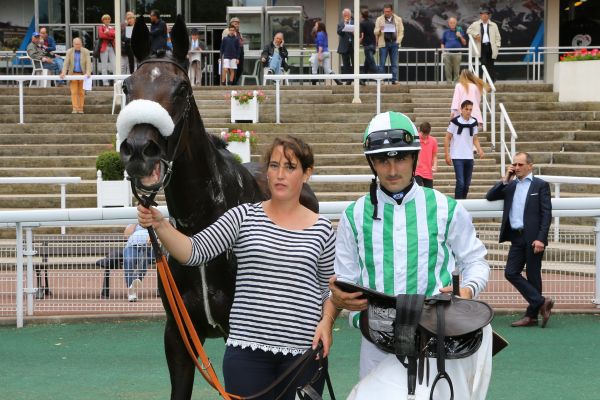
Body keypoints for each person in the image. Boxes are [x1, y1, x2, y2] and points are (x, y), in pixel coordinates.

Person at [137, 135, 337, 399]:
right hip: (247, 356)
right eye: (274, 166)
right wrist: (161, 224)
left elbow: (329, 289)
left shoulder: (322, 229)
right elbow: (194, 251)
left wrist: (327, 322)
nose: (279, 175)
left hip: (303, 354)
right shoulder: (242, 216)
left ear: (306, 173)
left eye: (290, 167)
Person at [328, 111, 491, 399]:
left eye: (400, 158)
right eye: (382, 160)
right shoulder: (353, 216)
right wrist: (340, 301)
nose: (392, 169)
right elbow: (346, 281)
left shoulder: (447, 208)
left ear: (414, 158)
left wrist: (466, 290)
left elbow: (476, 261)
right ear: (372, 163)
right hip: (377, 345)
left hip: (437, 342)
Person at [485, 152, 554, 328]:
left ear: (530, 166)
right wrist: (505, 178)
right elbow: (490, 196)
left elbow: (546, 214)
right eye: (514, 164)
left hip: (533, 238)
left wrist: (541, 239)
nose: (516, 168)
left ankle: (531, 316)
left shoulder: (540, 185)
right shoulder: (510, 185)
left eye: (520, 165)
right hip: (516, 236)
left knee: (533, 275)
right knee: (510, 272)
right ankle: (541, 301)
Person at [445, 99, 484, 199]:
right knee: (461, 182)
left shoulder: (474, 122)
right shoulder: (455, 122)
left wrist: (480, 150)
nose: (468, 111)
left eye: (470, 109)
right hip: (457, 156)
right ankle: (458, 204)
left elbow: (475, 139)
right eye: (466, 109)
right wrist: (447, 154)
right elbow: (447, 137)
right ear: (461, 109)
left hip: (469, 156)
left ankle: (463, 202)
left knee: (467, 184)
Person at [467, 8, 501, 82]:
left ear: (488, 16)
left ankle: (491, 80)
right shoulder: (475, 24)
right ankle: (486, 80)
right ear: (480, 15)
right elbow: (468, 30)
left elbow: (498, 37)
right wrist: (476, 34)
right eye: (483, 14)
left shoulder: (493, 25)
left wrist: (497, 46)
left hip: (491, 46)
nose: (484, 16)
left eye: (486, 14)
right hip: (481, 46)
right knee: (483, 63)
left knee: (491, 63)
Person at [60, 37, 92, 114]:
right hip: (73, 74)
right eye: (76, 44)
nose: (78, 45)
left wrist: (88, 72)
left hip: (83, 74)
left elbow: (88, 63)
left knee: (81, 92)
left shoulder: (86, 51)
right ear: (73, 44)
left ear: (81, 44)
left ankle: (80, 109)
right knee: (74, 92)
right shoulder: (69, 52)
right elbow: (65, 63)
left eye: (79, 44)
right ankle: (75, 109)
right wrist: (63, 72)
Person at [374, 4, 404, 85]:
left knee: (394, 63)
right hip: (384, 43)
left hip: (394, 43)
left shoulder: (398, 19)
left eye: (388, 11)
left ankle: (394, 80)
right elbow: (375, 32)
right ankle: (381, 80)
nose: (386, 13)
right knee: (382, 63)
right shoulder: (379, 19)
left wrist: (398, 41)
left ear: (392, 11)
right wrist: (380, 29)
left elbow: (401, 31)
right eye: (385, 11)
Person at [123, 223, 153, 302]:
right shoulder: (135, 225)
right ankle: (131, 290)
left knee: (143, 259)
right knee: (128, 260)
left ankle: (133, 286)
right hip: (131, 246)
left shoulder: (154, 224)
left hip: (148, 246)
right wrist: (135, 224)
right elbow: (126, 235)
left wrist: (152, 237)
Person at [441, 17, 466, 84]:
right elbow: (442, 43)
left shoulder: (460, 31)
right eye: (451, 23)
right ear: (448, 24)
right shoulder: (445, 32)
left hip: (457, 53)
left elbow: (464, 43)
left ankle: (456, 83)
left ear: (456, 23)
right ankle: (449, 83)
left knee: (456, 69)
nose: (452, 24)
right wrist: (443, 52)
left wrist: (460, 36)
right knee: (447, 69)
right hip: (447, 53)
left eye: (454, 23)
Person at [414, 121, 437, 188]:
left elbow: (434, 155)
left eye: (427, 134)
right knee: (418, 191)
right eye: (423, 134)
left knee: (429, 193)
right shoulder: (415, 139)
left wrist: (435, 165)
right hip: (417, 171)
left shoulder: (433, 141)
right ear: (419, 131)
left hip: (428, 171)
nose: (425, 136)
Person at [222, 17, 244, 85]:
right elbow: (224, 42)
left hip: (240, 51)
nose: (237, 25)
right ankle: (232, 83)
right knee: (232, 69)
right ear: (231, 24)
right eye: (235, 23)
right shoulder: (227, 31)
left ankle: (233, 82)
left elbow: (240, 42)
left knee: (240, 69)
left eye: (238, 24)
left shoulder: (239, 33)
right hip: (231, 52)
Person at [337, 8, 354, 85]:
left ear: (350, 15)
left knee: (355, 63)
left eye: (347, 15)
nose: (346, 16)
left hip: (353, 46)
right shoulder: (340, 24)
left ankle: (357, 78)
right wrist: (345, 24)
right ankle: (348, 80)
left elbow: (360, 33)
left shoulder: (354, 22)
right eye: (345, 15)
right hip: (344, 46)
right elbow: (339, 32)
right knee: (346, 64)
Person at [359, 8, 377, 84]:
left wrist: (358, 42)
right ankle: (363, 80)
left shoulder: (362, 23)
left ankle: (379, 77)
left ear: (361, 15)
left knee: (372, 63)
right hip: (373, 45)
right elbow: (375, 34)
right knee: (367, 63)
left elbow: (362, 35)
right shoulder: (372, 23)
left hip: (367, 46)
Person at [98, 14, 116, 86]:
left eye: (108, 19)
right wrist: (110, 35)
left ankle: (116, 81)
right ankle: (105, 82)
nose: (107, 20)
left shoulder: (112, 28)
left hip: (112, 47)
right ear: (103, 20)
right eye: (105, 19)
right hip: (104, 48)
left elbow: (115, 35)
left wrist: (108, 33)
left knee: (114, 65)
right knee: (104, 66)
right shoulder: (100, 27)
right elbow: (101, 35)